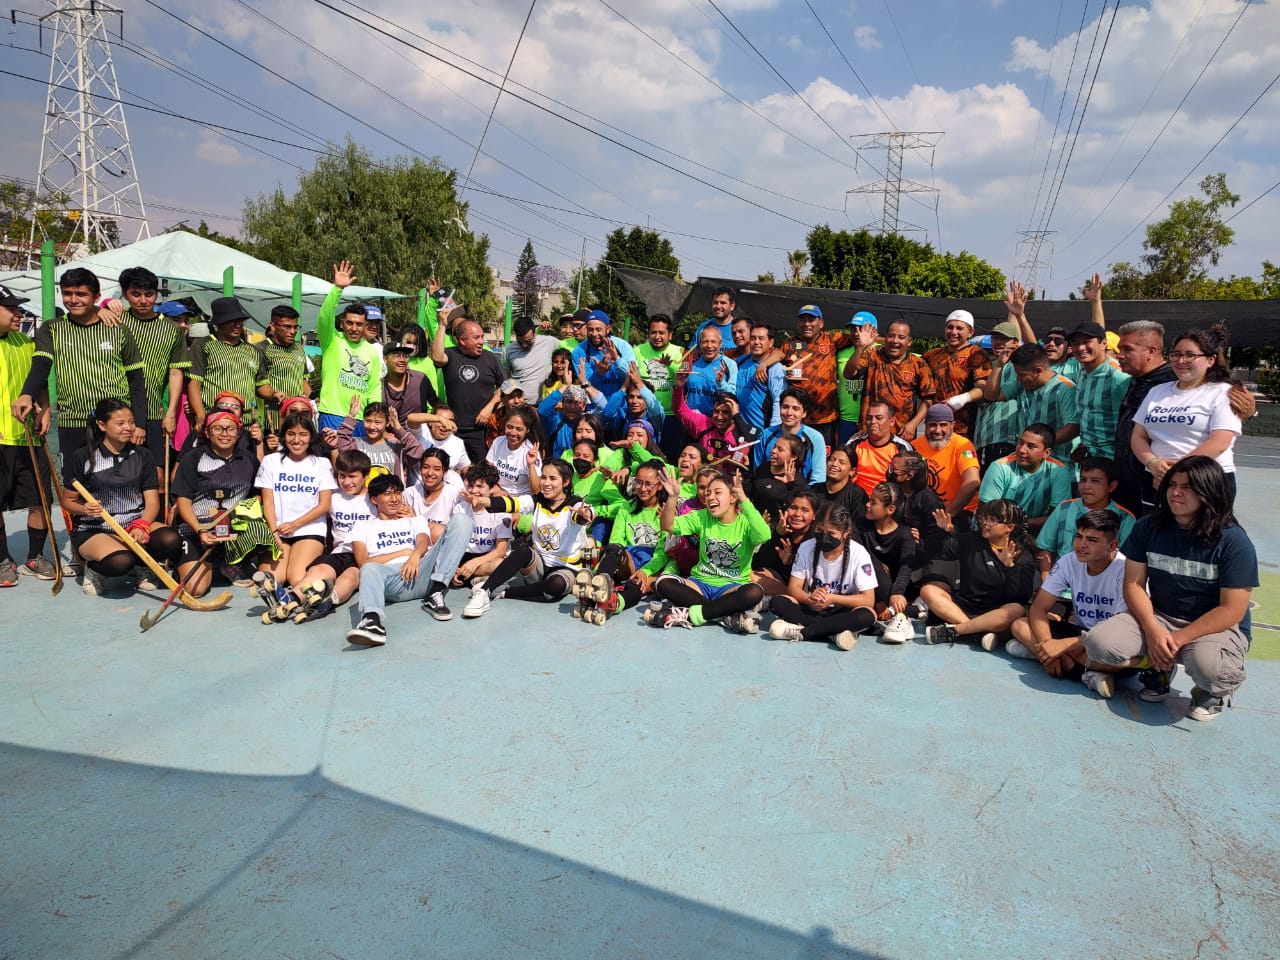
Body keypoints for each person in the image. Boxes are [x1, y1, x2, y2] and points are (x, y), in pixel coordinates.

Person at [1083, 457, 1256, 721]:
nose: (1176, 492)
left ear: (1210, 491)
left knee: (1213, 670)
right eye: (1172, 484)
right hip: (1161, 615)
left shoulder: (1232, 540)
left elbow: (1232, 609)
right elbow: (1133, 584)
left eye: (1187, 487)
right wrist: (1153, 630)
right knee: (1099, 643)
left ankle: (1211, 692)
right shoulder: (1148, 527)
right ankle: (1158, 668)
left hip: (1213, 626)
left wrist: (1177, 639)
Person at [15, 267, 147, 459]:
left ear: (96, 296)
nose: (73, 299)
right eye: (67, 293)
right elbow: (41, 365)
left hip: (113, 422)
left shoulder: (118, 330)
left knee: (115, 477)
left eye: (81, 294)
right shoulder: (51, 329)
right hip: (72, 422)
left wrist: (140, 424)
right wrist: (27, 394)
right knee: (73, 477)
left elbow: (136, 379)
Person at [60, 398, 181, 596]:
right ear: (102, 425)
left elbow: (152, 502)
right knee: (121, 562)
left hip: (134, 523)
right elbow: (67, 501)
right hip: (96, 528)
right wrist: (84, 509)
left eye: (131, 422)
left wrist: (142, 525)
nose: (128, 428)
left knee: (171, 539)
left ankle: (142, 565)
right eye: (120, 423)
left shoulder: (143, 455)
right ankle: (94, 568)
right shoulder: (84, 456)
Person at [344, 472, 474, 644]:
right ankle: (372, 622)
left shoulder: (414, 520)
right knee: (369, 569)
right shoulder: (362, 527)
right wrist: (402, 553)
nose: (394, 499)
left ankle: (436, 593)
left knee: (462, 520)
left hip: (423, 573)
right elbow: (363, 562)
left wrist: (414, 556)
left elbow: (423, 541)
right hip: (392, 581)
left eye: (397, 493)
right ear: (374, 499)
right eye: (387, 494)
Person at [461, 459, 596, 617]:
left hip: (566, 568)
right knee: (523, 551)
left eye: (553, 478)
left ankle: (504, 592)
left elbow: (584, 514)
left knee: (556, 586)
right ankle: (484, 592)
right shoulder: (537, 500)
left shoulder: (574, 504)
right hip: (537, 566)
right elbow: (511, 503)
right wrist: (480, 500)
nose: (546, 483)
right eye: (543, 477)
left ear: (565, 482)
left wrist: (585, 514)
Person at [649, 468, 769, 633]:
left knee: (754, 592)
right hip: (699, 584)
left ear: (733, 497)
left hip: (731, 587)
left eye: (717, 492)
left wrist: (744, 499)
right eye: (708, 493)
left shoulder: (745, 523)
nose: (710, 497)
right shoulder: (702, 516)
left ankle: (697, 613)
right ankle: (723, 615)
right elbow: (668, 526)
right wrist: (672, 497)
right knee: (663, 582)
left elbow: (764, 535)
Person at [1131, 328, 1243, 504]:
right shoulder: (1157, 391)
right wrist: (1152, 463)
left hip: (1204, 480)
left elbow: (1219, 442)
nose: (1181, 360)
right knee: (1154, 522)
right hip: (1156, 479)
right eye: (1176, 354)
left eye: (1190, 355)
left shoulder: (1223, 393)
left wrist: (1176, 473)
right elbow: (1138, 436)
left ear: (1210, 360)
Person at [1011, 510, 1127, 679]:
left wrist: (1065, 645)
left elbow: (1122, 629)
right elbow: (1039, 608)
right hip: (1079, 632)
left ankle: (1044, 656)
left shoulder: (1126, 570)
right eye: (1079, 536)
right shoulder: (1069, 561)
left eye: (1092, 540)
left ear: (1112, 545)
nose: (1082, 544)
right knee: (1019, 624)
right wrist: (1048, 645)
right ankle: (1078, 670)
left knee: (1122, 659)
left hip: (1106, 639)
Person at [170, 409, 270, 598]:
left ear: (238, 433)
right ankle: (185, 565)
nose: (225, 434)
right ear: (207, 432)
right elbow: (183, 500)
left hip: (232, 528)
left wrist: (242, 511)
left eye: (230, 429)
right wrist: (200, 529)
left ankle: (229, 562)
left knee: (261, 530)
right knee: (195, 590)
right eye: (218, 428)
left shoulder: (248, 459)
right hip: (200, 530)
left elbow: (258, 494)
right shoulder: (193, 458)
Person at [921, 499, 1038, 648]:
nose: (985, 523)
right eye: (984, 518)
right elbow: (937, 552)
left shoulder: (1023, 555)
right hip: (963, 608)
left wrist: (1009, 567)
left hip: (995, 613)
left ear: (1009, 527)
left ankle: (958, 630)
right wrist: (943, 531)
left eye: (992, 520)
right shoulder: (972, 539)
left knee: (1016, 609)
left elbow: (1021, 597)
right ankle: (974, 633)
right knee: (928, 590)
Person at [571, 459, 672, 625]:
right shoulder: (627, 506)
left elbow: (663, 552)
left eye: (649, 484)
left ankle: (613, 604)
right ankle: (598, 584)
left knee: (638, 585)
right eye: (638, 482)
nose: (642, 488)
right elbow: (616, 541)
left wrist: (646, 571)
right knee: (615, 549)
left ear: (660, 485)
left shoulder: (666, 511)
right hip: (628, 558)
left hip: (653, 561)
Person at [767, 502, 879, 650]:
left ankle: (805, 632)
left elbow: (868, 599)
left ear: (846, 533)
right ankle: (833, 632)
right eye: (820, 531)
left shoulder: (859, 553)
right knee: (777, 602)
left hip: (842, 610)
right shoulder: (807, 547)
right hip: (812, 609)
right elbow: (793, 588)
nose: (824, 537)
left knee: (867, 615)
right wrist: (811, 599)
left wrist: (831, 598)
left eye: (831, 534)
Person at [0, 283, 54, 584]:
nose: (18, 313)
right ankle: (2, 560)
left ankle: (34, 557)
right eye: (10, 308)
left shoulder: (26, 343)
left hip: (29, 438)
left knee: (41, 501)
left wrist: (44, 410)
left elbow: (40, 382)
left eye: (18, 307)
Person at [112, 266, 190, 472]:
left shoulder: (172, 329)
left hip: (156, 412)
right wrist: (104, 307)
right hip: (120, 411)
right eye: (136, 294)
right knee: (120, 474)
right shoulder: (115, 321)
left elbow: (176, 372)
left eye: (149, 294)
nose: (143, 300)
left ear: (156, 294)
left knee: (158, 476)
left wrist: (171, 414)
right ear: (125, 294)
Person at [254, 412, 336, 590]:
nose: (296, 440)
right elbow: (268, 502)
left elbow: (324, 505)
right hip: (277, 530)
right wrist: (274, 533)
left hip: (309, 529)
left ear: (311, 437)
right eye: (291, 434)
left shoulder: (322, 463)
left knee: (297, 578)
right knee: (272, 580)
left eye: (303, 434)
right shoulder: (270, 461)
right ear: (284, 436)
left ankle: (324, 583)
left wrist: (295, 524)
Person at [293, 449, 377, 619]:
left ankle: (326, 603)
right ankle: (290, 599)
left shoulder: (375, 500)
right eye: (341, 476)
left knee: (351, 577)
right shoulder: (333, 498)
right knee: (318, 570)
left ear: (366, 475)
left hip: (363, 556)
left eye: (352, 476)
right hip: (339, 553)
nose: (346, 482)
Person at [316, 261, 383, 438]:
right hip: (332, 414)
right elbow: (324, 317)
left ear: (365, 326)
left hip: (361, 419)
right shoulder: (331, 340)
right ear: (342, 324)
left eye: (359, 324)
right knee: (334, 455)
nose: (354, 328)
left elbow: (374, 388)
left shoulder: (371, 351)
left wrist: (375, 415)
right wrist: (337, 289)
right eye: (350, 323)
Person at [187, 297, 274, 432]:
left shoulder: (252, 350)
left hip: (247, 423)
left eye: (240, 321)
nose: (238, 325)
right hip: (217, 422)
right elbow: (194, 383)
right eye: (232, 321)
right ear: (219, 323)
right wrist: (200, 414)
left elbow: (261, 385)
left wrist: (276, 394)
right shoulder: (203, 345)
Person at [1035, 456, 1135, 573]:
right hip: (1061, 577)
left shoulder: (1125, 518)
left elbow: (1127, 561)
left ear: (1112, 486)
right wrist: (1047, 577)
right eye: (1083, 480)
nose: (1086, 486)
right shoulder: (1064, 508)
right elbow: (1044, 548)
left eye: (1095, 481)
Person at [432, 311, 505, 463]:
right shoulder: (451, 355)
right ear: (462, 340)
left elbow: (505, 385)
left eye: (482, 337)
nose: (481, 341)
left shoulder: (491, 358)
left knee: (480, 470)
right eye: (476, 337)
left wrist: (490, 407)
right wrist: (442, 326)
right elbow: (437, 357)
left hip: (481, 430)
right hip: (454, 428)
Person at [846, 318, 937, 438]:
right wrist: (860, 348)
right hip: (871, 431)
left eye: (901, 337)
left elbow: (928, 399)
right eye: (891, 336)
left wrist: (913, 424)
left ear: (909, 342)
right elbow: (849, 374)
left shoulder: (918, 364)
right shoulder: (872, 356)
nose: (895, 341)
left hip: (903, 434)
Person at [983, 342, 1079, 449]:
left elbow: (1073, 426)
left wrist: (1041, 445)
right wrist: (999, 365)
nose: (1018, 379)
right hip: (1025, 457)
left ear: (1038, 371)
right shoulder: (1021, 384)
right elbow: (991, 396)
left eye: (1022, 375)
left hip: (1057, 457)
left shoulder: (1065, 388)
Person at [978, 424, 1072, 532]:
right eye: (1020, 443)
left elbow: (1059, 516)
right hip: (996, 532)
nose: (1022, 450)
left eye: (1031, 446)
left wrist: (1021, 524)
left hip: (1035, 531)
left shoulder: (1058, 471)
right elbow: (985, 514)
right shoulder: (999, 468)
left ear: (1046, 453)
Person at [923, 309, 991, 437]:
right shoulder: (931, 356)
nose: (954, 332)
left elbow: (983, 387)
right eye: (950, 327)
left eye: (960, 328)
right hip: (934, 424)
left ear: (970, 332)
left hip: (964, 427)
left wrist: (962, 399)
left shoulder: (976, 354)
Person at [912, 404, 980, 528]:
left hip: (958, 511)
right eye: (932, 425)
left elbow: (973, 482)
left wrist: (947, 514)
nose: (938, 430)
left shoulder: (964, 446)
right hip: (925, 510)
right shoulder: (914, 446)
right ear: (925, 425)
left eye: (943, 425)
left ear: (952, 425)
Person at [971, 317, 1023, 471]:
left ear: (1016, 343)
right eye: (995, 338)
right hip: (982, 439)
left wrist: (1017, 314)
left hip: (1006, 440)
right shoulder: (988, 365)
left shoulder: (1020, 367)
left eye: (1004, 339)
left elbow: (1033, 350)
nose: (998, 342)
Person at [334, 396, 425, 483]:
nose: (372, 427)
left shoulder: (396, 447)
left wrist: (398, 429)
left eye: (378, 422)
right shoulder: (356, 444)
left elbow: (417, 452)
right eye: (368, 421)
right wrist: (351, 416)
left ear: (387, 423)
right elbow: (342, 444)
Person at [451, 461, 513, 589]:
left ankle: (468, 575)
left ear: (492, 488)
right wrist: (453, 567)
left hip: (488, 557)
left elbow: (501, 550)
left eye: (480, 486)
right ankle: (473, 577)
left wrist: (474, 563)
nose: (474, 491)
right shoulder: (460, 508)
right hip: (464, 555)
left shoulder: (502, 511)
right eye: (471, 485)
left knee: (500, 564)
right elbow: (453, 544)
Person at [751, 489, 818, 596]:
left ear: (814, 515)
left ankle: (794, 595)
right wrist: (777, 534)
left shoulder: (815, 539)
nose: (797, 514)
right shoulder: (781, 528)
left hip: (802, 587)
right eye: (793, 508)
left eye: (805, 510)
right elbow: (758, 562)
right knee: (748, 575)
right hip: (776, 578)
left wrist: (790, 562)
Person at [754, 387, 826, 483]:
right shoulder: (766, 435)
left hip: (803, 490)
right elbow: (758, 472)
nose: (789, 413)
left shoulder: (815, 438)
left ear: (804, 413)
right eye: (785, 407)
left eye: (795, 409)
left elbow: (818, 478)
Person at [847, 400, 912, 495]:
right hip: (856, 498)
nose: (872, 422)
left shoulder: (902, 448)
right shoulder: (854, 443)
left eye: (878, 418)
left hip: (888, 499)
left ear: (892, 422)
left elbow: (908, 484)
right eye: (869, 418)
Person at [257, 305, 311, 418]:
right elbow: (259, 385)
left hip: (299, 415)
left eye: (295, 327)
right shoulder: (261, 349)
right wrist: (274, 394)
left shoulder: (298, 348)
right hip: (274, 415)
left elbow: (303, 379)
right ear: (273, 326)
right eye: (287, 327)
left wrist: (309, 398)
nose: (293, 331)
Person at [571, 310, 635, 398]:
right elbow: (587, 386)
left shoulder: (622, 346)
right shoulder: (579, 351)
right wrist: (599, 374)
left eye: (598, 329)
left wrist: (617, 359)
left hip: (621, 403)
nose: (594, 334)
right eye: (590, 330)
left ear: (608, 329)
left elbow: (634, 377)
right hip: (594, 404)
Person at [735, 322, 786, 433]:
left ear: (771, 342)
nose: (756, 342)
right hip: (738, 431)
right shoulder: (740, 362)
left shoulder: (775, 368)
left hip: (761, 432)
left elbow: (778, 401)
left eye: (761, 338)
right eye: (753, 338)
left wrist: (773, 432)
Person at [484, 405, 544, 497]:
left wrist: (531, 465)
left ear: (527, 430)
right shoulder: (498, 442)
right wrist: (496, 487)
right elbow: (487, 470)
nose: (513, 433)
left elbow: (536, 491)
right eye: (510, 427)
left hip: (521, 499)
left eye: (519, 429)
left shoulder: (530, 451)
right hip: (497, 493)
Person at [834, 312, 874, 444]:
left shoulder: (880, 353)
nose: (856, 333)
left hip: (872, 421)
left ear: (873, 331)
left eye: (861, 329)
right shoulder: (840, 352)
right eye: (853, 329)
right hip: (845, 420)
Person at [381, 339, 438, 428]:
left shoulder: (420, 379)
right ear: (385, 359)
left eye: (405, 356)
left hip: (419, 433)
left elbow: (436, 403)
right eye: (396, 356)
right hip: (391, 434)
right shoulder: (379, 386)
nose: (402, 360)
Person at [503, 315, 559, 400]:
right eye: (520, 342)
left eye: (528, 341)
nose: (524, 345)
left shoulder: (550, 342)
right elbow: (506, 379)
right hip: (520, 404)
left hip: (546, 403)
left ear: (535, 333)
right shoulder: (508, 350)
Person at [808, 446, 866, 519]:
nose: (834, 464)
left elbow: (858, 523)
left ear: (852, 471)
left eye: (842, 462)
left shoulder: (857, 495)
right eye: (832, 459)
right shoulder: (815, 489)